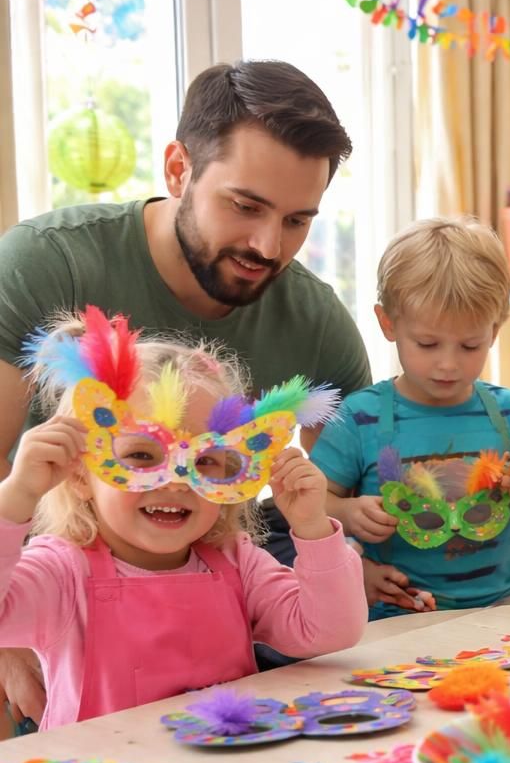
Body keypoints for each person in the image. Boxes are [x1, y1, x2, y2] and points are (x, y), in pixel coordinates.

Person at [0, 59, 371, 728]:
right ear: (178, 170)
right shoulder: (46, 263)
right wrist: (12, 643)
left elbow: (343, 504)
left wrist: (317, 526)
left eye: (297, 220)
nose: (269, 245)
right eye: (246, 206)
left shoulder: (315, 321)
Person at [0, 310, 366, 730]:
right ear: (82, 474)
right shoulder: (63, 572)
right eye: (142, 456)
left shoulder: (237, 563)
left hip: (224, 762)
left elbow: (331, 632)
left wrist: (312, 526)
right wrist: (16, 496)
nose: (176, 483)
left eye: (205, 460)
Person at [313, 216, 510, 619]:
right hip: (396, 610)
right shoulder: (359, 417)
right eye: (427, 343)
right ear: (387, 323)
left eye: (470, 346)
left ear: (495, 331)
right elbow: (311, 504)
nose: (448, 364)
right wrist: (346, 515)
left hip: (503, 605)